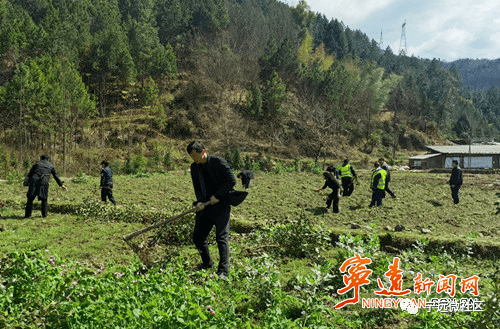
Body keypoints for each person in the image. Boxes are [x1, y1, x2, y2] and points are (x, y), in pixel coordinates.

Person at [188, 141, 237, 277]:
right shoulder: (194, 167)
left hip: (221, 205)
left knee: (221, 238)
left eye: (195, 155)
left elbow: (231, 181)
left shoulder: (218, 162)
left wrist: (218, 196)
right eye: (191, 156)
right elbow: (197, 187)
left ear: (202, 152)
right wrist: (199, 203)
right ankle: (207, 263)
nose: (194, 159)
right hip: (205, 206)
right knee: (198, 237)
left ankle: (223, 271)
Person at [25, 154, 67, 218]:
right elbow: (56, 176)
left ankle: (27, 215)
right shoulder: (51, 165)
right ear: (48, 159)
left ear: (41, 158)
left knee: (30, 199)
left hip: (34, 181)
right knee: (44, 199)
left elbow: (29, 174)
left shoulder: (36, 164)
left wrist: (26, 181)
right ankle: (44, 215)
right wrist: (61, 185)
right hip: (44, 181)